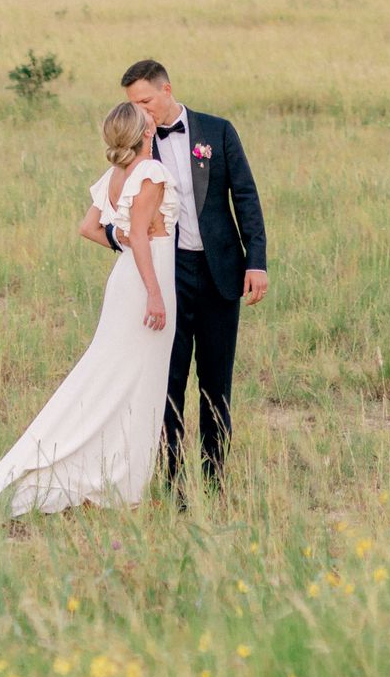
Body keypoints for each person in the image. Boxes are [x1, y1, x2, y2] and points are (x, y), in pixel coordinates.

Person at [0, 101, 174, 526]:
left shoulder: (118, 175)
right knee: (139, 382)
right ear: (141, 132)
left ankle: (115, 477)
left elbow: (89, 228)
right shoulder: (150, 173)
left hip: (127, 280)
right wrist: (154, 293)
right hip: (147, 281)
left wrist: (133, 254)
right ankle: (123, 485)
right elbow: (138, 234)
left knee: (115, 378)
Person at [98, 57, 267, 493]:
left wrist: (256, 261)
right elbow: (112, 219)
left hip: (220, 274)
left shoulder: (218, 130)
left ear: (167, 89)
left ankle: (214, 483)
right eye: (133, 104)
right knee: (168, 384)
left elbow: (245, 197)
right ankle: (174, 486)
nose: (142, 111)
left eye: (147, 100)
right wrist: (130, 244)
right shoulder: (138, 146)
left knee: (216, 383)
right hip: (167, 276)